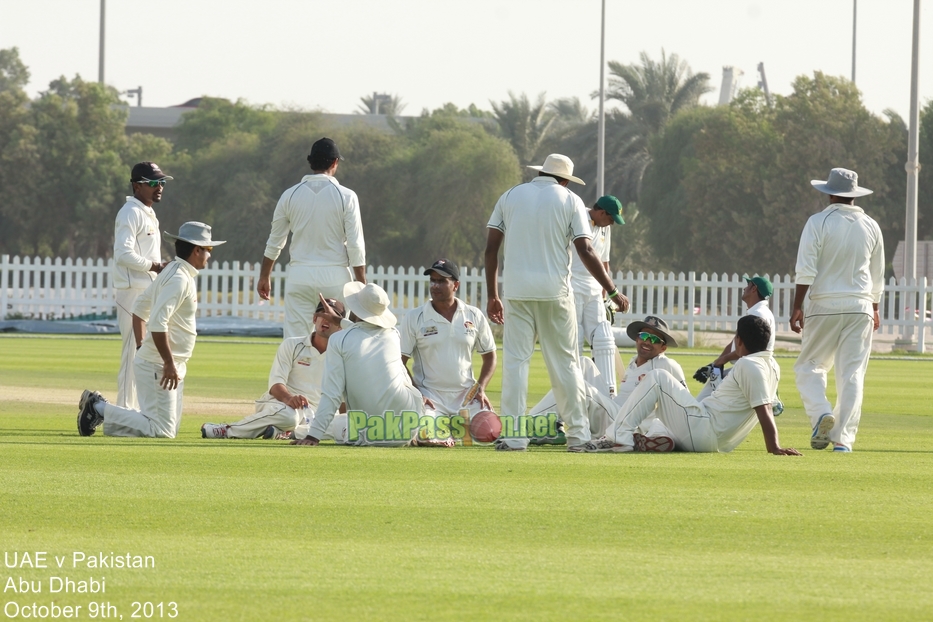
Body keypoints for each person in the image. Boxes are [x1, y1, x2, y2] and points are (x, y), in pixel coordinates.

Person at [485, 153, 629, 452]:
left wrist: (492, 295)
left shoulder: (510, 195)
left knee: (515, 364)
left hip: (516, 292)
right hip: (555, 293)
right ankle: (577, 437)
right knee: (565, 365)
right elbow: (586, 250)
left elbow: (490, 251)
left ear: (541, 173)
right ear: (564, 179)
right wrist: (612, 291)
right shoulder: (570, 200)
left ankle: (513, 437)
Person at [77, 222, 225, 438]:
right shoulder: (178, 279)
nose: (210, 255)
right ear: (196, 250)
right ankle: (97, 407)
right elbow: (157, 323)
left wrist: (141, 347)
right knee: (163, 431)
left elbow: (139, 310)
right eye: (208, 250)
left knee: (166, 428)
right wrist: (167, 363)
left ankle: (104, 417)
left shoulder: (174, 271)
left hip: (165, 362)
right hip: (161, 364)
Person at [599, 316, 801, 456]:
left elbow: (763, 408)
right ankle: (654, 439)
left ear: (738, 340)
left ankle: (617, 436)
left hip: (704, 429)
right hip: (714, 441)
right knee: (660, 422)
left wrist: (774, 447)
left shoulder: (749, 365)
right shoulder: (772, 365)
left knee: (658, 377)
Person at [791, 168, 884, 452]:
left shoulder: (818, 222)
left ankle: (821, 413)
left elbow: (806, 268)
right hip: (860, 306)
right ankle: (842, 439)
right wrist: (875, 307)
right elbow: (877, 274)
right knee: (852, 373)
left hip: (824, 304)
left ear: (830, 193)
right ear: (854, 195)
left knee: (809, 366)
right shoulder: (871, 225)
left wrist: (797, 306)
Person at [257, 137, 366, 340]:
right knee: (337, 341)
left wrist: (265, 276)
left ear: (311, 162)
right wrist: (361, 287)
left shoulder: (289, 195)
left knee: (296, 343)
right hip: (335, 276)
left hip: (300, 275)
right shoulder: (347, 196)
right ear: (335, 162)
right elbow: (355, 245)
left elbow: (275, 241)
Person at [526, 315, 684, 449]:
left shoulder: (666, 365)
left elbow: (684, 404)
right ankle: (552, 426)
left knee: (577, 386)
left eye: (654, 339)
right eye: (644, 336)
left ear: (663, 348)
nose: (647, 342)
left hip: (625, 425)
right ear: (637, 338)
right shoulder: (633, 363)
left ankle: (520, 428)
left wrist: (660, 433)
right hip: (613, 410)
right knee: (582, 363)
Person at [298, 283, 427, 447]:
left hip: (370, 433)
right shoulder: (394, 335)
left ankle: (292, 431)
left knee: (323, 426)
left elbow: (332, 394)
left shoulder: (338, 340)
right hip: (409, 427)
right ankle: (424, 432)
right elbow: (365, 334)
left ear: (356, 308)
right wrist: (339, 321)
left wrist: (313, 436)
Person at [200, 299, 349, 440]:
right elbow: (276, 384)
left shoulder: (343, 356)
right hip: (280, 405)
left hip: (315, 416)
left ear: (340, 325)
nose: (325, 320)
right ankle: (227, 430)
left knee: (347, 423)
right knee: (289, 417)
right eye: (322, 315)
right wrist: (290, 398)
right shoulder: (292, 345)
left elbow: (343, 400)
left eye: (332, 317)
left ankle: (287, 433)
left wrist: (345, 423)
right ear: (314, 318)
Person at [400, 259, 497, 423]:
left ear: (456, 285)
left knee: (491, 432)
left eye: (442, 281)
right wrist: (417, 393)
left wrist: (480, 388)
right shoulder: (414, 317)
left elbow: (490, 356)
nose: (435, 286)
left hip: (467, 396)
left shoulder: (473, 315)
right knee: (424, 435)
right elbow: (399, 362)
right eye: (433, 281)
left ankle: (456, 427)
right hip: (430, 396)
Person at [112, 162, 172, 409]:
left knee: (143, 353)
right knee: (132, 354)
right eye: (153, 183)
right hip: (131, 292)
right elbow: (122, 254)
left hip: (145, 291)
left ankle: (136, 410)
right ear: (137, 186)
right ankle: (124, 410)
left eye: (162, 183)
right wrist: (156, 266)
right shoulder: (130, 212)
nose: (159, 188)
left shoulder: (147, 212)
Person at [694, 275, 782, 413]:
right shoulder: (756, 312)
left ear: (754, 289)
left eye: (748, 285)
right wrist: (714, 364)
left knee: (705, 404)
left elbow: (750, 349)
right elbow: (735, 342)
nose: (744, 288)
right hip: (747, 366)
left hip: (750, 368)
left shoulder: (758, 314)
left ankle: (771, 397)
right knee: (707, 398)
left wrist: (722, 361)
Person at [570, 195, 625, 397]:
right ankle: (574, 394)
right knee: (573, 342)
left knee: (604, 339)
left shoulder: (605, 228)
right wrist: (614, 292)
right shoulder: (577, 217)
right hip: (572, 286)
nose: (612, 224)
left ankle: (608, 396)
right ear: (602, 213)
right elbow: (585, 252)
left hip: (594, 290)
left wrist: (605, 298)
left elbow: (604, 263)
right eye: (611, 219)